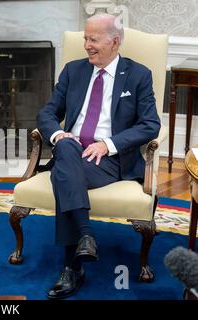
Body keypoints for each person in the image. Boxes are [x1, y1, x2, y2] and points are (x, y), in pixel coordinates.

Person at [36, 13, 161, 299]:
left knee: (64, 175)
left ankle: (71, 267)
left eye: (93, 40)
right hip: (73, 151)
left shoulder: (139, 75)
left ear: (114, 42)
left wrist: (109, 144)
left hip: (111, 160)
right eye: (85, 39)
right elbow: (47, 113)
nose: (86, 45)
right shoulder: (73, 70)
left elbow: (150, 124)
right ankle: (86, 235)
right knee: (66, 149)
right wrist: (58, 134)